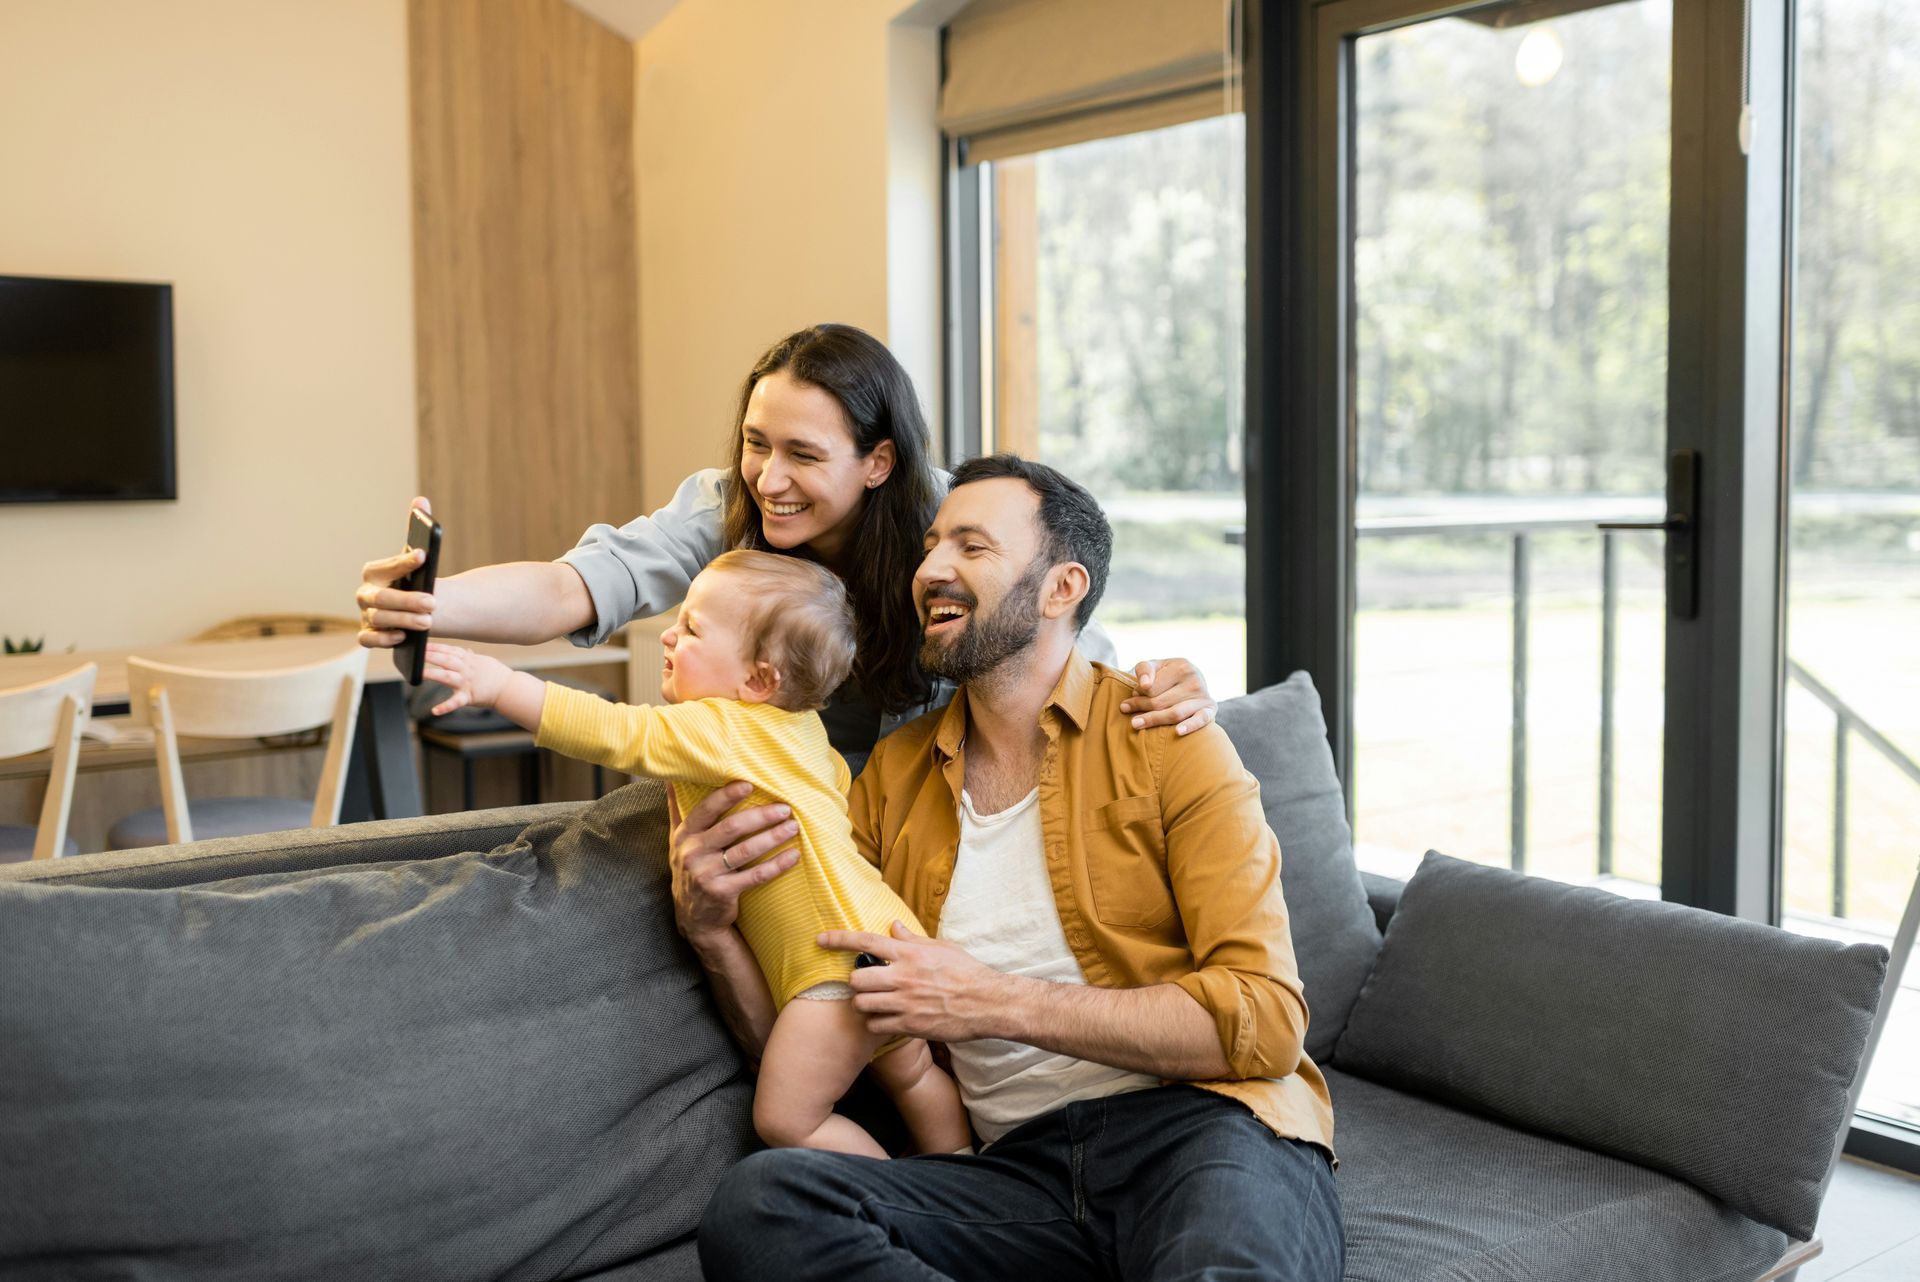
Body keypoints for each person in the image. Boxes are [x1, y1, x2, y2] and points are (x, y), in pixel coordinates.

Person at [678, 455, 1343, 1282]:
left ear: (1063, 587)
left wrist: (991, 1002)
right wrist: (711, 935)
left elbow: (1267, 1019)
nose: (930, 570)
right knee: (763, 1205)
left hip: (1203, 1132)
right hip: (1011, 1178)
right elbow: (814, 1021)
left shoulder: (1167, 740)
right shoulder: (887, 782)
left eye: (971, 546)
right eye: (929, 547)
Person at [355, 323, 1217, 779]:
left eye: (804, 455)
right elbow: (576, 585)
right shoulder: (722, 506)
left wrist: (1157, 683)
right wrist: (433, 602)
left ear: (879, 461)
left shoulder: (942, 527)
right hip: (764, 796)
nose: (771, 479)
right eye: (756, 442)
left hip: (907, 816)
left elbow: (1049, 633)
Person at [418, 550, 970, 1159]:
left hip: (834, 971)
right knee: (916, 1078)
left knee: (787, 1123)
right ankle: (965, 1181)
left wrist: (501, 685)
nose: (669, 632)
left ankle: (898, 1194)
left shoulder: (723, 725)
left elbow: (618, 731)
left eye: (694, 629)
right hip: (888, 934)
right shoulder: (806, 732)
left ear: (758, 681)